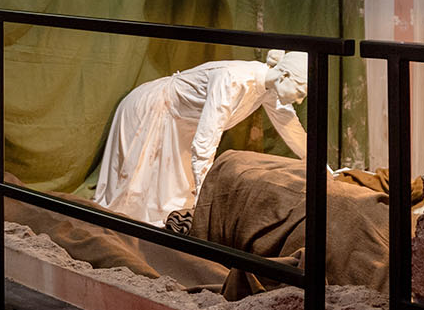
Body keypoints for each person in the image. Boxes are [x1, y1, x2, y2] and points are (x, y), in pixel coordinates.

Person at [93, 50, 312, 226]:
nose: (300, 100)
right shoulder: (232, 80)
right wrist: (203, 199)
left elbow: (291, 129)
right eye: (300, 92)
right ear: (284, 76)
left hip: (179, 123)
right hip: (151, 110)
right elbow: (206, 140)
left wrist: (320, 168)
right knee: (135, 198)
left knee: (170, 201)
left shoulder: (269, 88)